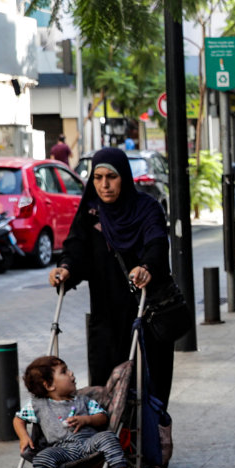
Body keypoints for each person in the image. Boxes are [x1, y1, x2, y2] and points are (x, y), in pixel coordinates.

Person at [49, 148, 176, 412]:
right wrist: (65, 268)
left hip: (146, 312)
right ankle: (111, 444)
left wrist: (146, 266)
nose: (104, 185)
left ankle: (150, 445)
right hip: (106, 314)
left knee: (149, 385)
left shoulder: (146, 208)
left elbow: (156, 241)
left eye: (112, 177)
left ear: (125, 178)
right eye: (98, 177)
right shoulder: (91, 213)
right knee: (105, 388)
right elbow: (76, 248)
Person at [12, 355, 134, 468]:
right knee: (42, 458)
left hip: (88, 443)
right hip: (61, 449)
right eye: (64, 372)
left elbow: (102, 417)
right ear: (49, 385)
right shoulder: (38, 406)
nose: (71, 373)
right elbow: (18, 419)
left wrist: (86, 419)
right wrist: (24, 436)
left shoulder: (84, 401)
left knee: (108, 437)